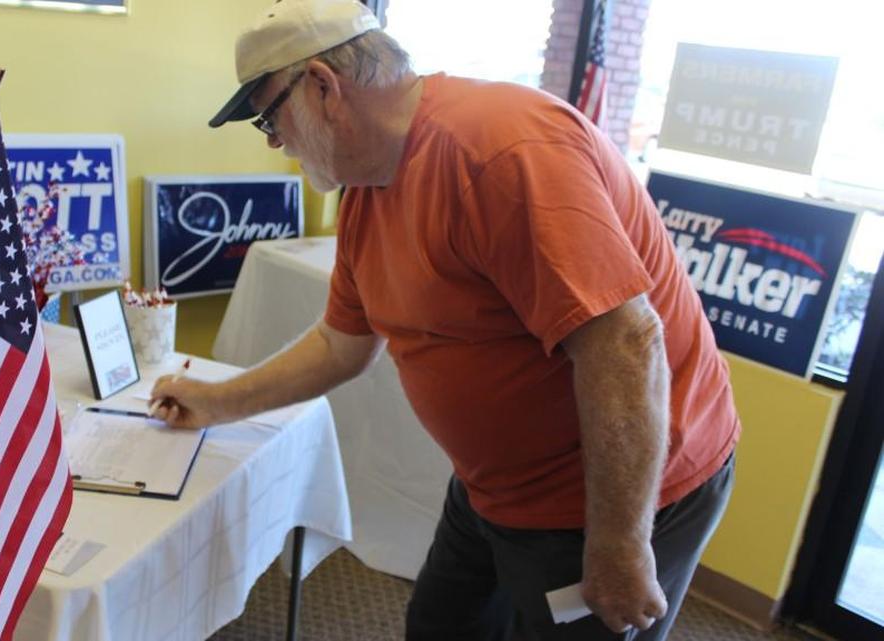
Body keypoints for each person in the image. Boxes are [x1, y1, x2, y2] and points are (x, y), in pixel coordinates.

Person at [151, 1, 740, 638]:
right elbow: (339, 345)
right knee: (439, 625)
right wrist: (216, 402)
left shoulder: (498, 151)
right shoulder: (368, 188)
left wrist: (621, 543)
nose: (275, 140)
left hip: (615, 493)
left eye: (270, 117)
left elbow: (626, 343)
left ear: (323, 86)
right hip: (496, 488)